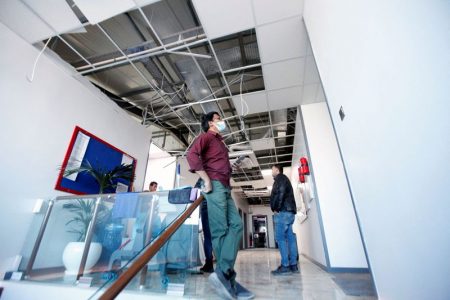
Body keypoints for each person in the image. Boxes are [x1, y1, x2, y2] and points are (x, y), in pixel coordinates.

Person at [187, 112, 254, 300]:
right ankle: (226, 277)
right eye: (218, 119)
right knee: (220, 230)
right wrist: (206, 179)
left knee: (237, 225)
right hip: (214, 185)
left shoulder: (220, 143)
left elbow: (219, 163)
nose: (222, 121)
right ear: (210, 123)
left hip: (225, 187)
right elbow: (191, 155)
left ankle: (223, 273)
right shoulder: (206, 136)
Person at [269, 164, 299, 275]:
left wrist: (276, 207)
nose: (271, 171)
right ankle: (293, 265)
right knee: (290, 238)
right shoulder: (284, 179)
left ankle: (285, 265)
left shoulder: (280, 178)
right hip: (290, 212)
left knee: (280, 238)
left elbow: (280, 193)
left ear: (277, 169)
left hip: (283, 212)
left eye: (272, 169)